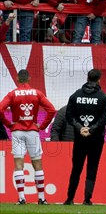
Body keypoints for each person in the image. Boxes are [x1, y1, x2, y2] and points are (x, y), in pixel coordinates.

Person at [0, 69, 56, 205]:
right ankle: (42, 198)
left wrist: (9, 124)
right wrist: (41, 126)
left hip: (17, 131)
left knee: (18, 164)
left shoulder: (12, 94)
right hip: (32, 131)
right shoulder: (37, 93)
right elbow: (52, 110)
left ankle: (21, 198)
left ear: (18, 79)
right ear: (29, 78)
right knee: (37, 163)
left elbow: (0, 109)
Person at [64, 69, 106, 205]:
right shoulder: (103, 98)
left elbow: (69, 116)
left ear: (87, 78)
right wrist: (92, 129)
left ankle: (69, 198)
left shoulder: (75, 96)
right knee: (92, 166)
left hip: (80, 138)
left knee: (76, 167)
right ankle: (87, 199)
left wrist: (80, 128)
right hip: (96, 139)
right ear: (99, 79)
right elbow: (105, 118)